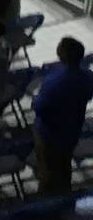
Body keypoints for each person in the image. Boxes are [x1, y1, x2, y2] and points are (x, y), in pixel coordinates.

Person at [33, 36, 91, 197]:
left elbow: (40, 107)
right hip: (72, 130)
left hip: (50, 133)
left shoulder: (54, 81)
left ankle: (46, 206)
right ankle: (65, 197)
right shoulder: (87, 77)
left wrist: (35, 98)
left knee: (47, 170)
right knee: (65, 164)